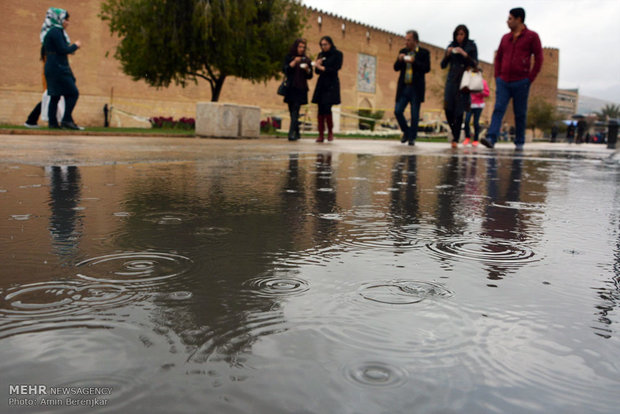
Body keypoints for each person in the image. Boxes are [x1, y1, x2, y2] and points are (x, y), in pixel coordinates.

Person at [480, 7, 543, 150]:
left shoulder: (532, 36)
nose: (507, 21)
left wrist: (530, 78)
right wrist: (497, 76)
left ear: (518, 19)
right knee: (498, 109)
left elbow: (539, 58)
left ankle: (519, 142)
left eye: (510, 18)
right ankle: (491, 138)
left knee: (520, 112)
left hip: (521, 81)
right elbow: (499, 58)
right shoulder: (505, 38)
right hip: (504, 81)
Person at [41, 7, 82, 130]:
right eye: (66, 19)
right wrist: (75, 46)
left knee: (55, 95)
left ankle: (53, 123)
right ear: (59, 19)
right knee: (73, 93)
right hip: (58, 67)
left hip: (52, 66)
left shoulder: (50, 32)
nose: (67, 22)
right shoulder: (56, 32)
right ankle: (66, 119)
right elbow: (63, 49)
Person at [441, 25, 478, 148]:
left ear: (466, 35)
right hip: (452, 80)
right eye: (457, 34)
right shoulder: (451, 45)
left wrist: (464, 54)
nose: (459, 37)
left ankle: (455, 138)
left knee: (459, 111)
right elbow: (443, 65)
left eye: (462, 34)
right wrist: (447, 54)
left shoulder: (471, 46)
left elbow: (475, 64)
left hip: (464, 81)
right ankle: (454, 132)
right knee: (448, 109)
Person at [393, 30, 431, 146]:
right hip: (404, 87)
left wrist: (415, 62)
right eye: (405, 40)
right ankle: (406, 131)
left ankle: (412, 138)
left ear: (415, 41)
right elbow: (396, 68)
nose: (406, 42)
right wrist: (399, 60)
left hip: (416, 88)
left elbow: (427, 68)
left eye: (408, 40)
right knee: (398, 110)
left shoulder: (424, 53)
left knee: (414, 115)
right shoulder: (403, 52)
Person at [312, 36, 343, 143]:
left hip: (332, 83)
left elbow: (336, 68)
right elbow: (317, 72)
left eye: (325, 44)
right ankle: (321, 134)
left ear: (330, 44)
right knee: (320, 108)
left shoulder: (338, 54)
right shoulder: (321, 55)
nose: (323, 47)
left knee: (327, 107)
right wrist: (317, 65)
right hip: (322, 83)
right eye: (321, 45)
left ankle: (330, 132)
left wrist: (322, 68)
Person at [282, 38, 313, 141]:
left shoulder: (306, 60)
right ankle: (298, 132)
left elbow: (310, 76)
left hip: (301, 89)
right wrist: (294, 61)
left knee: (295, 110)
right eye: (300, 47)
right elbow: (285, 70)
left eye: (303, 47)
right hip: (291, 88)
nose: (301, 49)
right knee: (292, 111)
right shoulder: (289, 57)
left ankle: (291, 134)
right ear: (296, 47)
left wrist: (307, 69)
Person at [463, 70, 489, 146]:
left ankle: (475, 140)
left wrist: (481, 92)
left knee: (475, 122)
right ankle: (467, 137)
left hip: (478, 105)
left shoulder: (483, 82)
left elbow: (487, 93)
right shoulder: (469, 82)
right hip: (469, 104)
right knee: (466, 121)